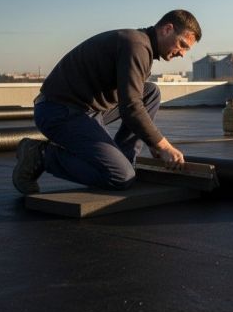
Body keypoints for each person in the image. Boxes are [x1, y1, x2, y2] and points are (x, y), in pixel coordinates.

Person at [12, 10, 202, 194]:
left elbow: (134, 98)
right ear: (167, 29)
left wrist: (152, 142)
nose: (182, 54)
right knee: (120, 177)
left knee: (150, 92)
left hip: (85, 109)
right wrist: (163, 145)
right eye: (182, 44)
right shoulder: (136, 45)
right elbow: (131, 107)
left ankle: (126, 158)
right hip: (58, 112)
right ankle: (41, 155)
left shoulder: (140, 44)